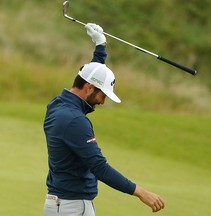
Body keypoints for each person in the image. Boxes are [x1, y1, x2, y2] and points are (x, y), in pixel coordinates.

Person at [43, 23, 165, 216]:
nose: (103, 101)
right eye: (103, 95)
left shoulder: (58, 104)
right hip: (72, 207)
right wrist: (141, 192)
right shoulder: (75, 121)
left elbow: (90, 75)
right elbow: (100, 168)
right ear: (90, 88)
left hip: (63, 205)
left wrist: (100, 46)